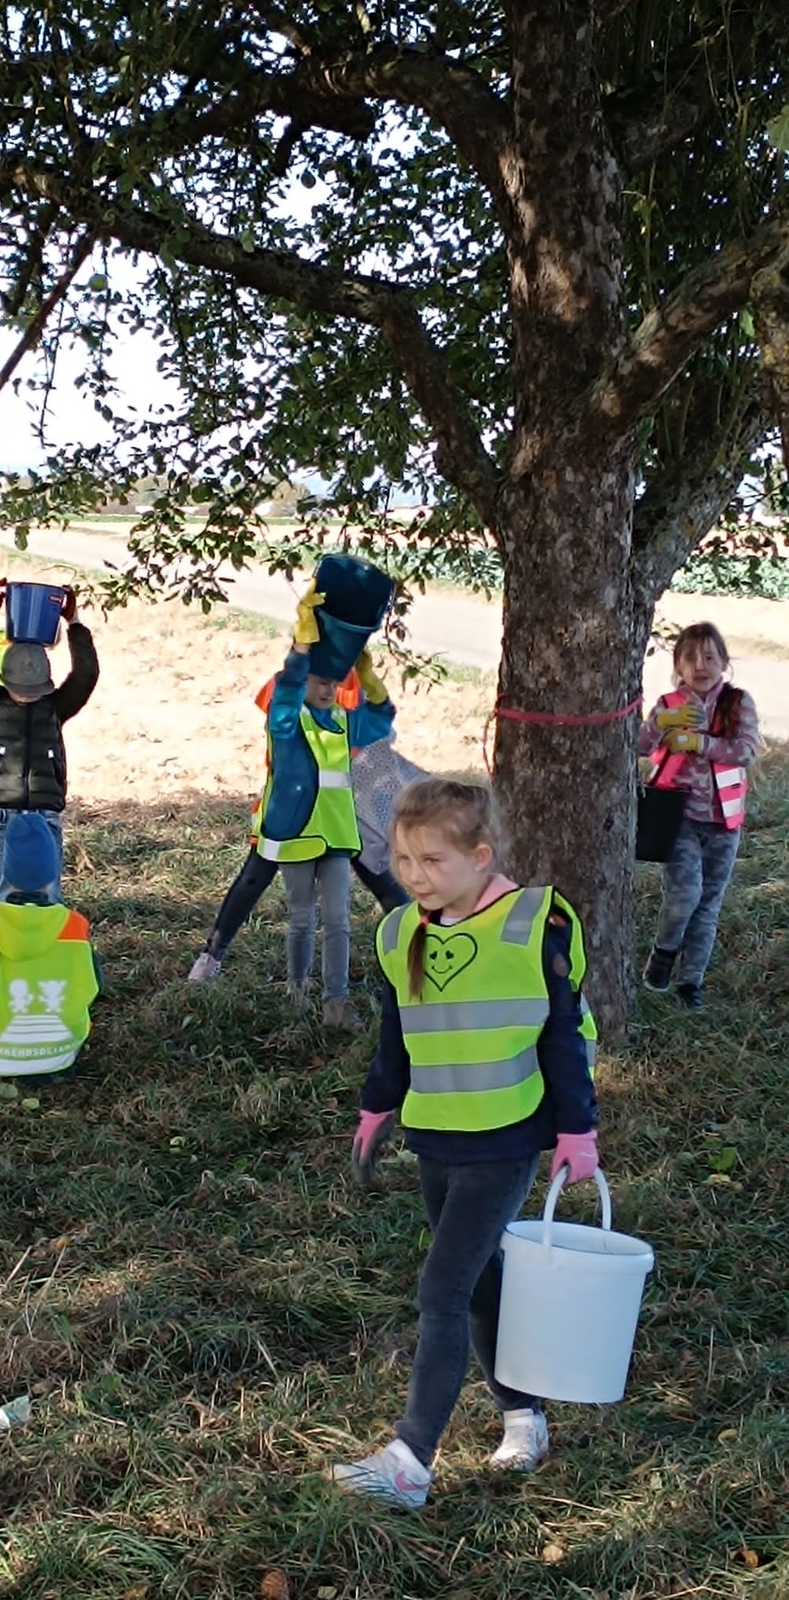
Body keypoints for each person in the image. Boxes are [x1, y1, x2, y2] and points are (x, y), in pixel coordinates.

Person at [334, 777, 599, 1508]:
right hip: (437, 1136)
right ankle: (525, 1417)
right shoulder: (399, 932)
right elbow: (398, 1035)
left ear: (480, 857)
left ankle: (410, 1460)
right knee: (479, 1286)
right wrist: (376, 1108)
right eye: (403, 858)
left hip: (506, 1138)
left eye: (433, 861)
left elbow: (561, 1034)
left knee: (441, 1289)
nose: (414, 874)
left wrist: (578, 1128)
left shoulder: (536, 922)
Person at [232, 583, 396, 1029]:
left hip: (338, 836)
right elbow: (284, 695)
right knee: (302, 919)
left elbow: (381, 720)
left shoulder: (344, 721)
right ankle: (297, 991)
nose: (328, 689)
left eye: (334, 681)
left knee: (340, 921)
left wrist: (370, 677)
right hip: (297, 835)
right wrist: (301, 649)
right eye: (319, 680)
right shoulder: (286, 721)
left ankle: (336, 1003)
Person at [186, 668, 412, 985]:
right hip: (290, 812)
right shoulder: (288, 683)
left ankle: (423, 948)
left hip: (341, 809)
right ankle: (211, 957)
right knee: (255, 877)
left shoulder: (353, 682)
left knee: (377, 877)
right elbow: (281, 723)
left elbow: (377, 731)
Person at [638, 622, 761, 1009]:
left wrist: (701, 743)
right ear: (678, 665)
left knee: (708, 904)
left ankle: (690, 983)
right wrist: (659, 724)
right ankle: (663, 953)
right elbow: (640, 746)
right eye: (690, 657)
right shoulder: (669, 704)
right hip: (680, 818)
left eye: (710, 656)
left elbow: (746, 751)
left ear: (724, 662)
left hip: (725, 823)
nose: (700, 665)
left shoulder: (737, 703)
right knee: (685, 894)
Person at [0, 578, 99, 900]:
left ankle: (46, 946)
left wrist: (74, 621)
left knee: (49, 897)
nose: (27, 697)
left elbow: (86, 673)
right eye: (21, 691)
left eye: (32, 691)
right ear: (4, 681)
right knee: (6, 897)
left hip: (44, 815)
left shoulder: (55, 708)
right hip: (2, 817)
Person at [0, 812, 101, 1080]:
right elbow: (96, 984)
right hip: (62, 1054)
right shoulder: (75, 925)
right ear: (52, 872)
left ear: (6, 870)